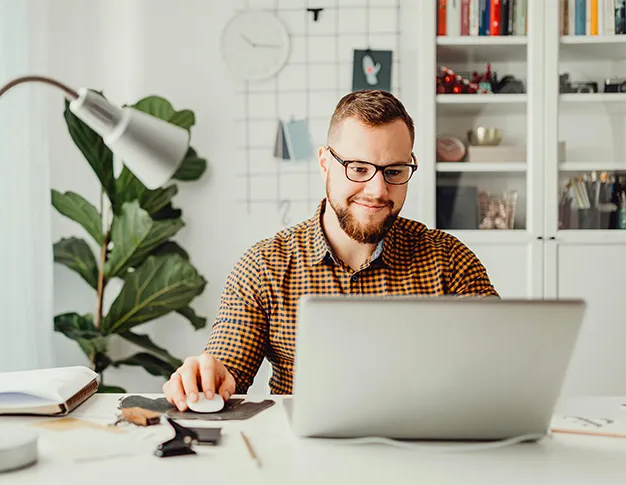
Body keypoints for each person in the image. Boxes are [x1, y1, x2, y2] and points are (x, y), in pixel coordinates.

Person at [162, 90, 498, 411]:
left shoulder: (449, 260)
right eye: (359, 168)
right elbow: (227, 366)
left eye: (394, 171)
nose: (378, 190)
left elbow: (501, 363)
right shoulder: (265, 265)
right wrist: (207, 377)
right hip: (303, 460)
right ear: (325, 162)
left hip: (423, 453)